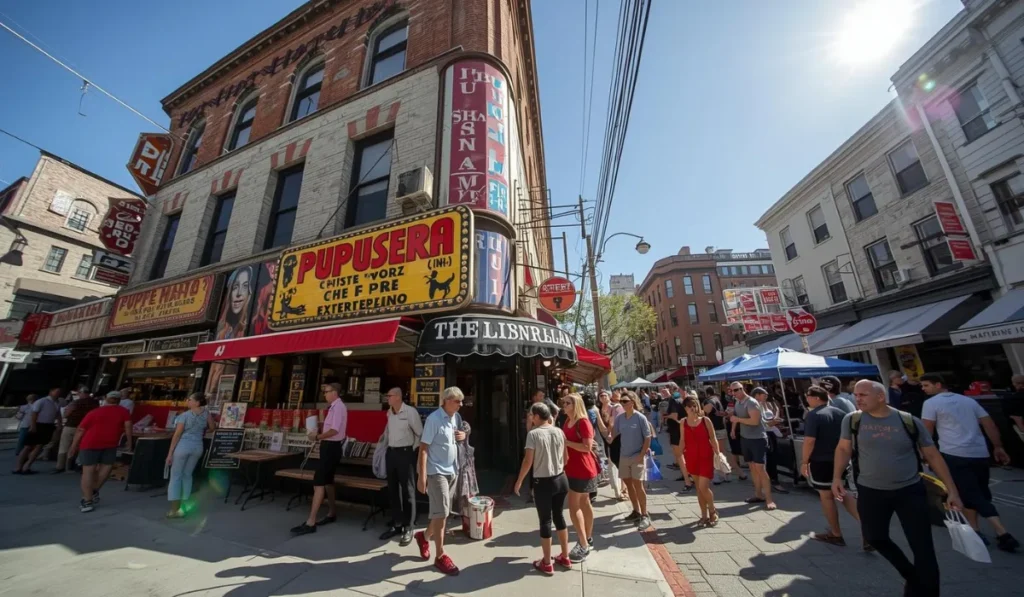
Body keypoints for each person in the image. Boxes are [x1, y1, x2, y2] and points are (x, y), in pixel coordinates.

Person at [833, 380, 963, 597]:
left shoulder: (908, 421)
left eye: (863, 395)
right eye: (856, 395)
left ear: (881, 397)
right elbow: (844, 448)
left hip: (909, 490)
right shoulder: (852, 420)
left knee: (922, 547)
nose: (858, 399)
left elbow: (932, 455)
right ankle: (913, 578)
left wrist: (952, 490)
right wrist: (836, 476)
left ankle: (927, 592)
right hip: (871, 491)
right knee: (874, 536)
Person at [919, 373, 1019, 552]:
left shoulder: (931, 404)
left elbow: (927, 431)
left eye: (926, 385)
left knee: (970, 493)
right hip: (979, 452)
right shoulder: (968, 401)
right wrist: (997, 446)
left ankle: (1002, 531)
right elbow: (989, 424)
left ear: (938, 385)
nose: (923, 389)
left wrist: (925, 453)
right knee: (976, 491)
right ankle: (975, 530)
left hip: (953, 452)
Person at [801, 385, 869, 549]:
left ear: (816, 398)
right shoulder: (841, 414)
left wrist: (804, 461)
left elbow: (809, 440)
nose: (806, 399)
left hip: (822, 460)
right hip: (842, 459)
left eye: (808, 396)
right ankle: (869, 530)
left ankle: (836, 533)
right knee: (843, 493)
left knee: (826, 496)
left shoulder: (814, 415)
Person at [514, 402, 572, 575]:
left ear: (537, 417)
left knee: (545, 520)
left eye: (532, 415)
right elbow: (566, 458)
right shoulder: (559, 431)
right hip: (561, 478)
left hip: (544, 481)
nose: (530, 418)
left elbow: (528, 461)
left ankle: (547, 562)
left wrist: (519, 481)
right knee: (559, 516)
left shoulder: (533, 434)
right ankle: (565, 555)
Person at [415, 387, 466, 576]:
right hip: (436, 471)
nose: (460, 404)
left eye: (461, 401)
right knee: (443, 513)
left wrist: (463, 436)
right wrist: (422, 476)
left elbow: (456, 437)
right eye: (456, 401)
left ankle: (424, 536)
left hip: (452, 469)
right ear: (445, 400)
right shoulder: (434, 419)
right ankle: (440, 555)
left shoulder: (455, 418)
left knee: (440, 512)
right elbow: (423, 448)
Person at [291, 383, 347, 535]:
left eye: (327, 392)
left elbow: (334, 430)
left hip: (331, 447)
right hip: (328, 446)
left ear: (335, 392)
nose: (325, 394)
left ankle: (311, 522)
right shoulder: (333, 408)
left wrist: (317, 436)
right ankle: (332, 512)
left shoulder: (338, 407)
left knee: (319, 482)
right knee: (327, 481)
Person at [67, 391, 132, 513]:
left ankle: (87, 500)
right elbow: (128, 426)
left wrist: (73, 446)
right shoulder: (123, 411)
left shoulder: (94, 412)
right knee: (106, 469)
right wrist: (129, 442)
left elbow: (81, 429)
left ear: (106, 399)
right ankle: (94, 491)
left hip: (90, 443)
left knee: (88, 471)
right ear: (119, 400)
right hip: (110, 443)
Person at [379, 387, 423, 546]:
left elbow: (420, 433)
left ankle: (409, 526)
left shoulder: (410, 412)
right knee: (392, 489)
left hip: (406, 453)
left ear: (398, 397)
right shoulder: (390, 412)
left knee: (408, 489)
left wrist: (411, 450)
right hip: (391, 453)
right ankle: (397, 523)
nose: (387, 398)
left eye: (389, 395)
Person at [165, 392, 215, 518]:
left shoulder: (184, 416)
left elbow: (177, 434)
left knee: (176, 476)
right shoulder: (206, 414)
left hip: (183, 445)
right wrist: (202, 431)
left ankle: (174, 509)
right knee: (187, 475)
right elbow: (212, 427)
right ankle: (183, 507)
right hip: (198, 446)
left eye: (190, 399)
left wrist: (170, 453)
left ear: (197, 402)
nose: (188, 401)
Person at [562, 392, 599, 561]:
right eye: (564, 403)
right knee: (583, 502)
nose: (564, 405)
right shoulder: (567, 422)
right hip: (572, 467)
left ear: (575, 405)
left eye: (567, 403)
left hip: (583, 468)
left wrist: (567, 443)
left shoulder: (583, 422)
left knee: (574, 505)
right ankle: (588, 538)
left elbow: (586, 447)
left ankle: (583, 544)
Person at [730, 383, 776, 510]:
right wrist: (733, 429)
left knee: (760, 468)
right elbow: (735, 417)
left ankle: (769, 499)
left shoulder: (751, 402)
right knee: (752, 468)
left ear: (742, 389)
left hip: (758, 439)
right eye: (732, 391)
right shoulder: (738, 402)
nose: (733, 393)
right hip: (746, 438)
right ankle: (758, 494)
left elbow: (754, 421)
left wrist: (738, 420)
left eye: (736, 390)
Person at [612, 391, 653, 530]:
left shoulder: (640, 417)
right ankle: (636, 511)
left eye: (625, 401)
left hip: (637, 456)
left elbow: (648, 437)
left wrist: (641, 455)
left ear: (632, 402)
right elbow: (613, 434)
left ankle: (645, 514)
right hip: (624, 456)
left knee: (638, 485)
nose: (622, 404)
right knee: (629, 485)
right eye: (621, 401)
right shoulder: (620, 418)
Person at [681, 395, 720, 526]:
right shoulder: (683, 422)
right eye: (689, 406)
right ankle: (703, 516)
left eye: (694, 405)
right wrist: (679, 456)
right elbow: (682, 440)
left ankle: (713, 511)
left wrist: (718, 453)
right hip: (691, 457)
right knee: (698, 488)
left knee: (703, 487)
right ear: (685, 408)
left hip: (705, 456)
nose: (692, 408)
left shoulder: (705, 420)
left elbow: (713, 438)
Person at [13, 387, 61, 474]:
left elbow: (58, 414)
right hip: (39, 424)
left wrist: (59, 424)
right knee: (28, 446)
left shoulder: (57, 403)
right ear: (51, 392)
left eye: (59, 392)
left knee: (39, 446)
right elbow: (34, 413)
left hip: (48, 425)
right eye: (56, 392)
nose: (58, 394)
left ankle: (27, 466)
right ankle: (18, 467)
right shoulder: (42, 401)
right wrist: (33, 425)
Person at [56, 388, 99, 473]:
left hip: (71, 425)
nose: (78, 394)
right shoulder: (95, 403)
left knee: (64, 446)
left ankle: (61, 465)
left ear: (82, 393)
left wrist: (65, 413)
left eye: (79, 393)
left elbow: (66, 414)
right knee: (77, 446)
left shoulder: (76, 402)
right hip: (85, 428)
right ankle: (71, 464)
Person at [756, 391, 790, 495]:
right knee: (766, 460)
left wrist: (776, 421)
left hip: (772, 433)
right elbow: (761, 423)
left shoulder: (769, 404)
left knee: (773, 458)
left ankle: (773, 480)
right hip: (763, 434)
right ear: (757, 395)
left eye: (766, 394)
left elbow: (771, 419)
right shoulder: (756, 406)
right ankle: (767, 483)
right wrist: (773, 423)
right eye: (763, 394)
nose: (766, 395)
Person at [663, 385, 693, 490]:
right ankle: (688, 475)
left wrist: (666, 416)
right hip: (685, 429)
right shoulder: (684, 400)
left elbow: (675, 416)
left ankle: (687, 480)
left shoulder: (673, 400)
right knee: (685, 454)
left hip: (676, 430)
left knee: (680, 456)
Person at [595, 390, 623, 501]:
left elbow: (615, 423)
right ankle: (617, 488)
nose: (602, 397)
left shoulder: (614, 408)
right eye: (600, 395)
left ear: (609, 396)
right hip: (603, 438)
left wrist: (609, 434)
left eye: (604, 395)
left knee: (614, 462)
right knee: (610, 462)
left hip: (614, 438)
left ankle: (618, 489)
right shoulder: (597, 409)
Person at [701, 387, 730, 484]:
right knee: (722, 452)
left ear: (707, 393)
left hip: (714, 430)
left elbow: (705, 412)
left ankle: (718, 475)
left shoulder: (708, 401)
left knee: (716, 453)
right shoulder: (718, 400)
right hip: (721, 428)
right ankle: (725, 474)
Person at [14, 394, 36, 460]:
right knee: (30, 440)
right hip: (32, 424)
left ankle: (19, 452)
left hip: (25, 424)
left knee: (22, 439)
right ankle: (27, 452)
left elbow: (19, 417)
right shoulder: (35, 406)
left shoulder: (24, 407)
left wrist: (16, 415)